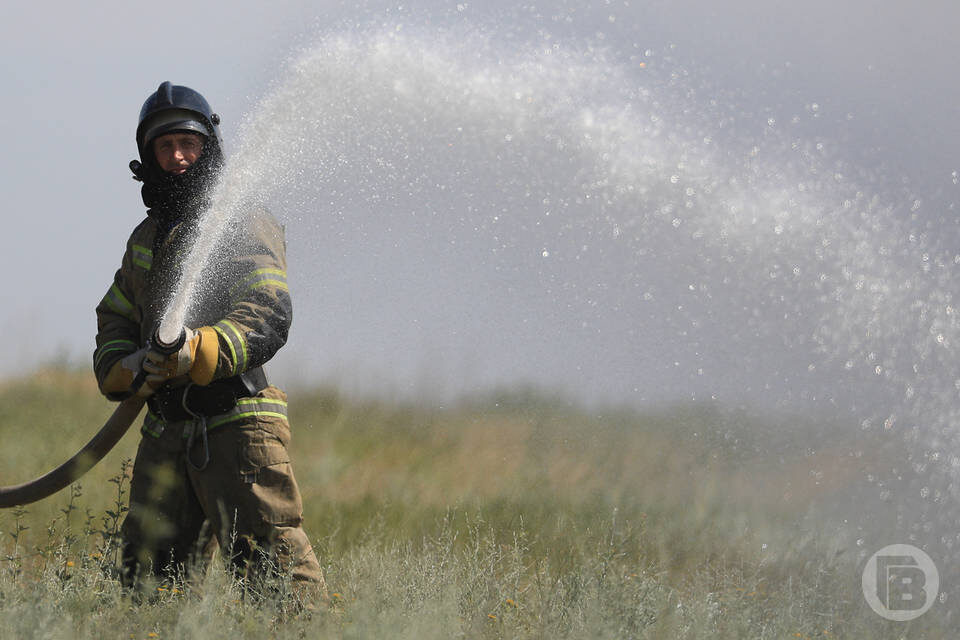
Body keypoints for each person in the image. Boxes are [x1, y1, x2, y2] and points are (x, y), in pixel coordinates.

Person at [93, 81, 325, 605]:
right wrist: (123, 366)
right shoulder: (147, 239)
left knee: (277, 583)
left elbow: (268, 309)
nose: (177, 157)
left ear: (208, 149)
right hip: (164, 428)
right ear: (147, 157)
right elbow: (115, 315)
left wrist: (200, 346)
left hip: (238, 425)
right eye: (164, 146)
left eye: (188, 145)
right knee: (148, 588)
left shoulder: (241, 220)